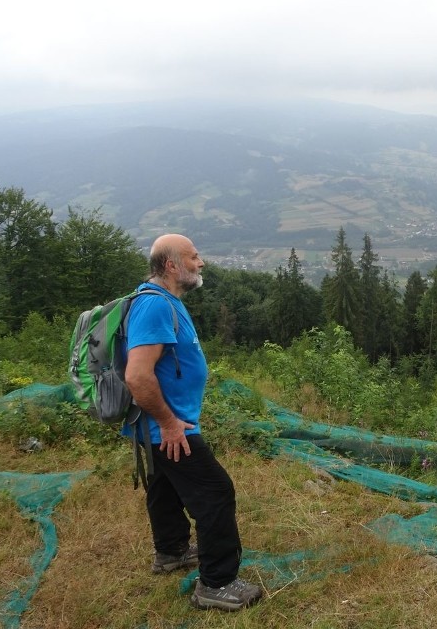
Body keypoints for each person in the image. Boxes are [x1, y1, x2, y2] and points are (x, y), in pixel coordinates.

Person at [123, 233, 262, 612]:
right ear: (171, 265)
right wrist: (168, 423)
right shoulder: (153, 306)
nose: (201, 263)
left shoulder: (165, 301)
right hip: (167, 427)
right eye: (194, 256)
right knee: (216, 492)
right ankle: (217, 584)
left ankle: (171, 552)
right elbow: (137, 376)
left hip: (159, 426)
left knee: (165, 486)